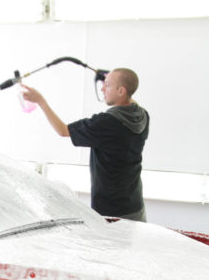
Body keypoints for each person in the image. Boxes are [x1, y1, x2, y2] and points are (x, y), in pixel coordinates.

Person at [21, 68, 150, 222]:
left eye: (107, 85)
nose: (102, 88)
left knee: (109, 247)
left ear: (121, 90)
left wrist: (40, 101)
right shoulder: (142, 116)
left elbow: (63, 130)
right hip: (136, 207)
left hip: (112, 212)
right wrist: (114, 80)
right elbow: (130, 96)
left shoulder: (106, 123)